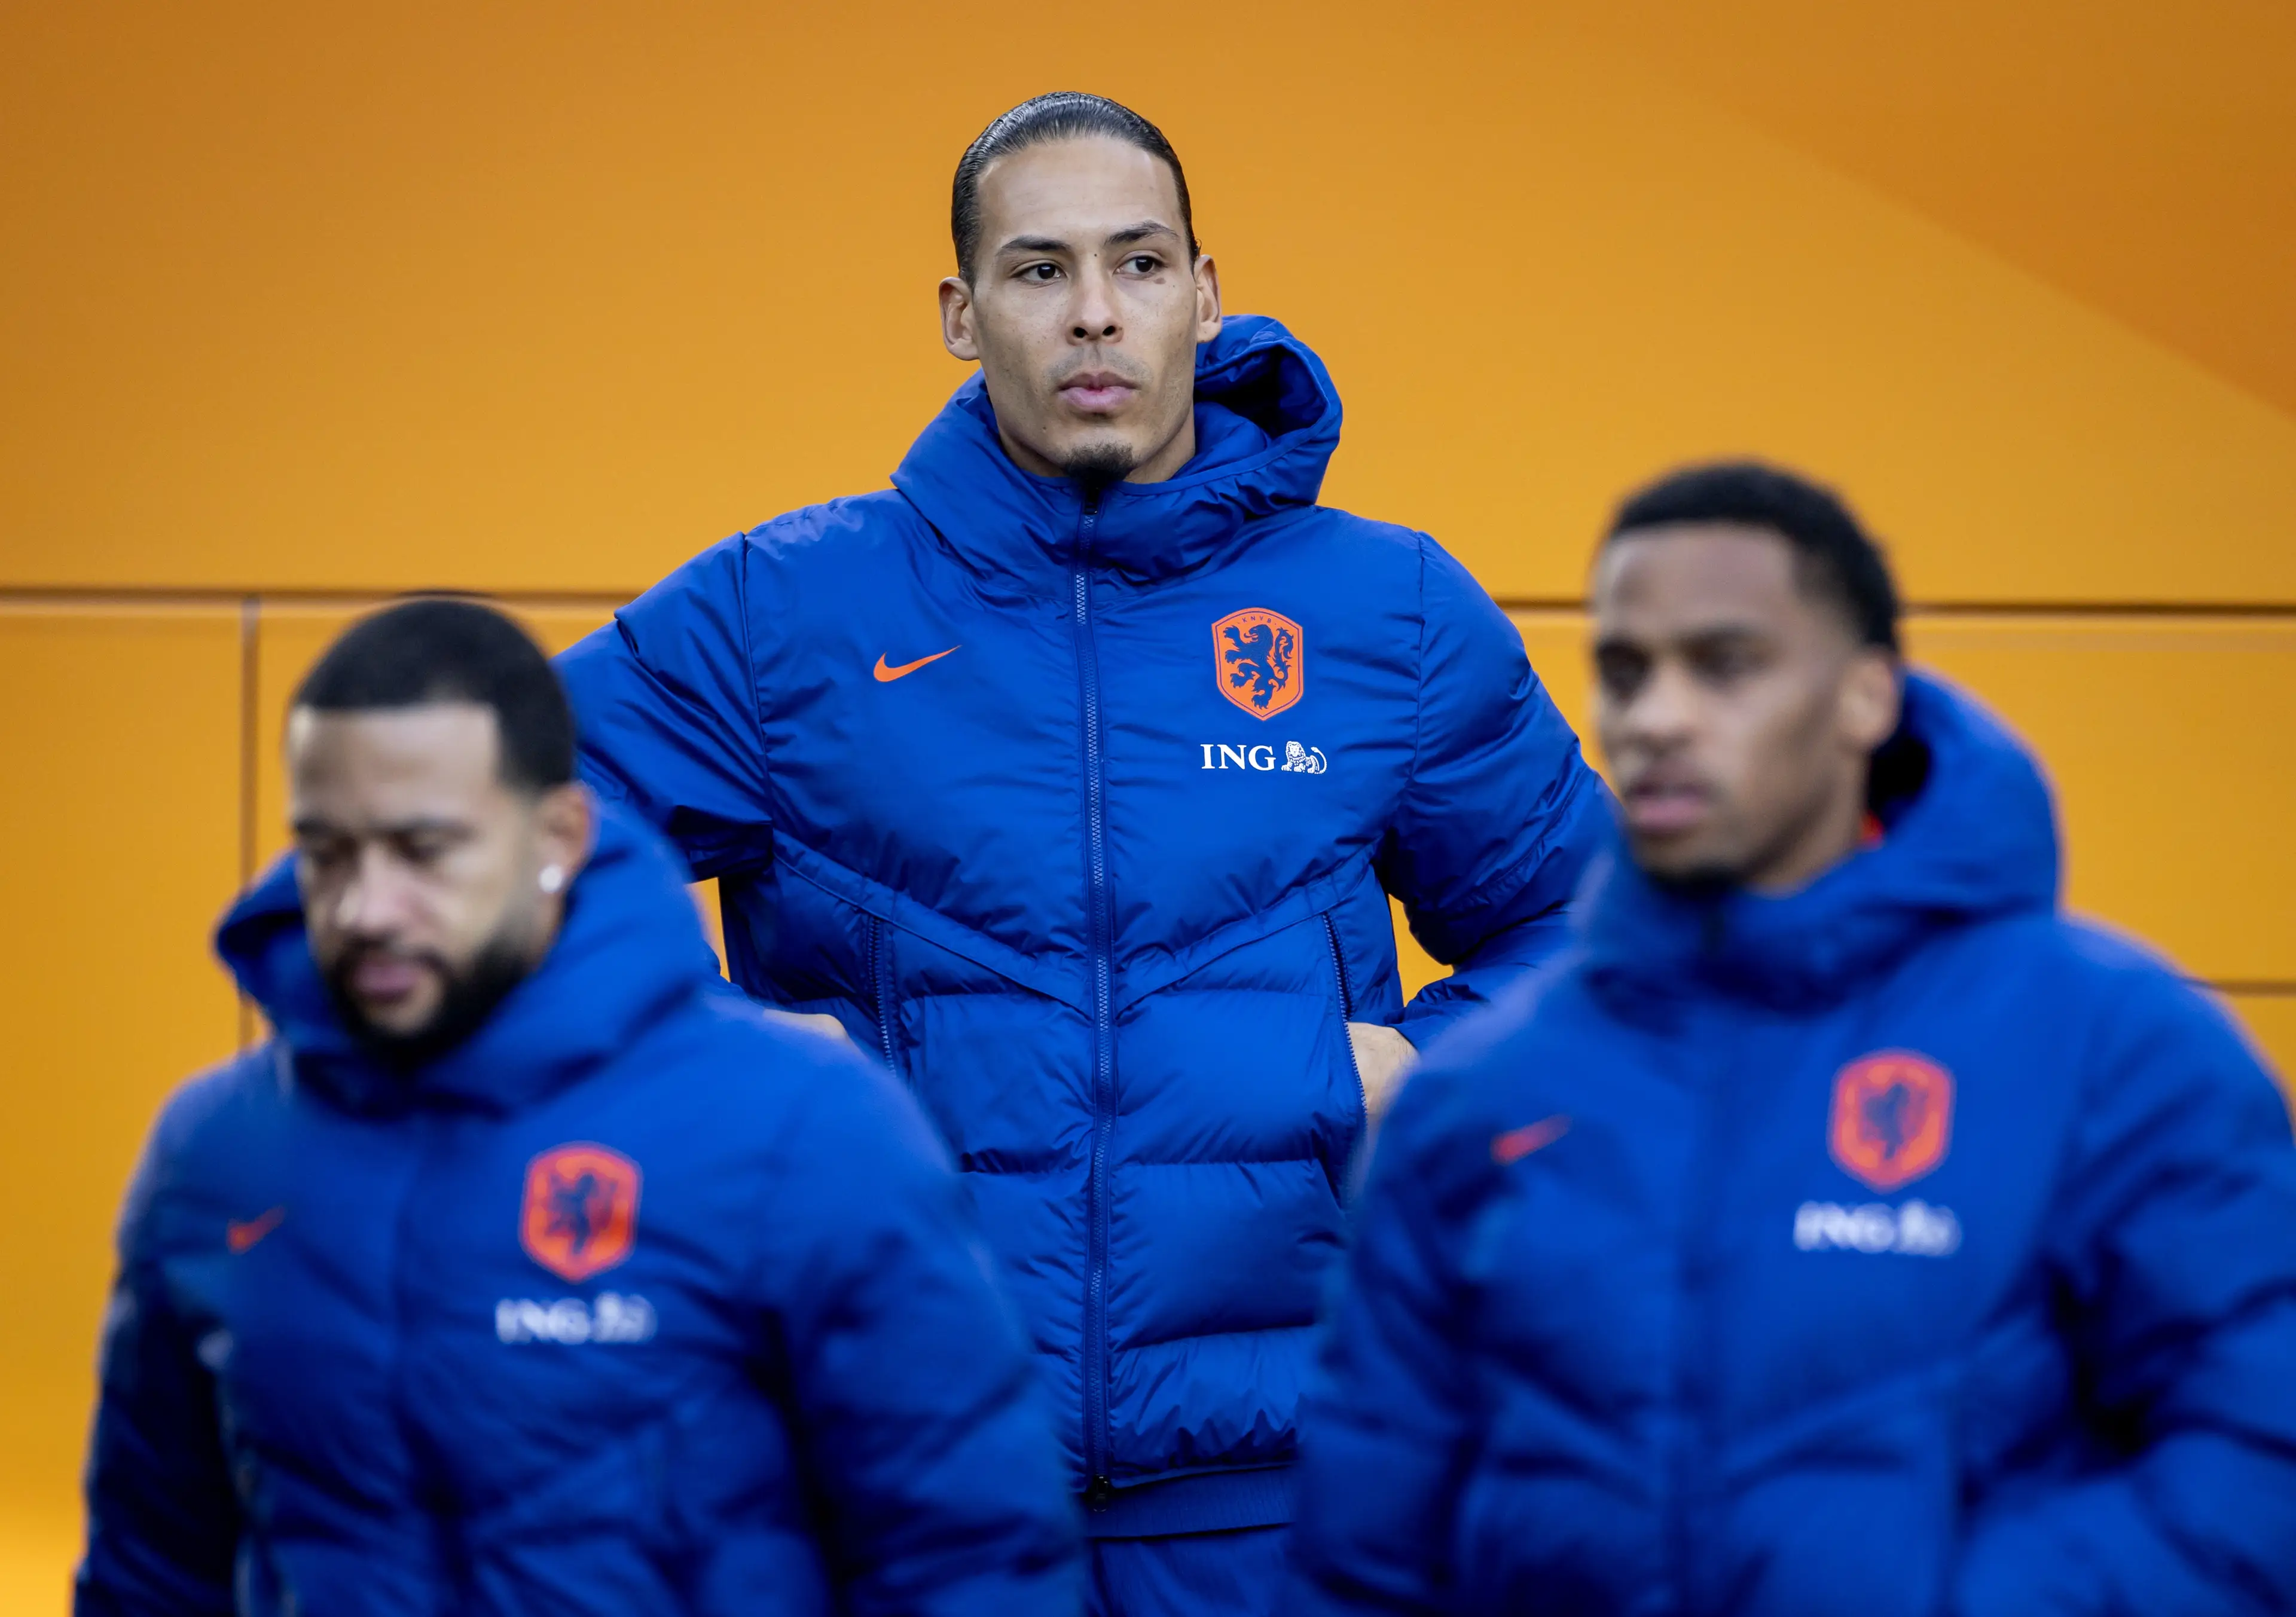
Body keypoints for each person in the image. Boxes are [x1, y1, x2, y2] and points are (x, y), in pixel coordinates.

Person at [556, 91, 1607, 1613]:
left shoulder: (1391, 611)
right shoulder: (785, 613)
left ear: (1205, 289)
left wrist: (1412, 1072)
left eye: (1140, 264)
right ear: (961, 313)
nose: (1097, 315)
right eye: (1040, 270)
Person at [1291, 462, 2296, 1615]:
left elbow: (2255, 1463)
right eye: (1626, 671)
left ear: (1868, 697)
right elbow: (1365, 1555)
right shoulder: (1484, 1096)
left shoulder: (2117, 1049)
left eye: (1725, 666)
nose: (1659, 717)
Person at [77, 600, 1079, 1616]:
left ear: (557, 833)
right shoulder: (220, 1155)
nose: (365, 907)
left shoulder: (803, 1130)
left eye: (424, 851)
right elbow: (149, 1576)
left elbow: (972, 1567)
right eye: (328, 852)